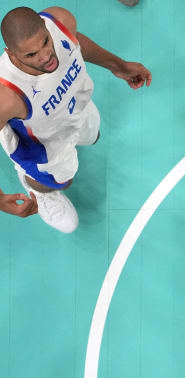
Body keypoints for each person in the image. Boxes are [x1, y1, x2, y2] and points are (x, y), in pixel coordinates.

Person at [0, 6, 151, 232]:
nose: (45, 56)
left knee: (93, 134)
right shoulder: (7, 97)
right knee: (64, 179)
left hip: (75, 109)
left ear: (46, 27)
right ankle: (37, 187)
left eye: (45, 42)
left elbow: (75, 42)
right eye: (30, 55)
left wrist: (119, 67)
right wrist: (0, 200)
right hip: (44, 146)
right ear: (12, 55)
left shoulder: (60, 20)